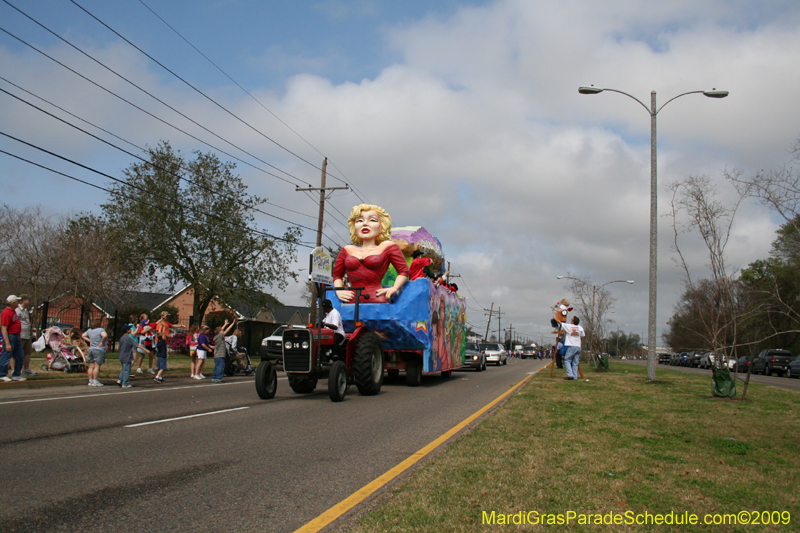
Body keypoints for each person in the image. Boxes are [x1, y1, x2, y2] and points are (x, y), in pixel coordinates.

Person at [333, 204, 409, 303]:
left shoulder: (387, 246)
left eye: (372, 220)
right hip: (350, 300)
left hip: (377, 299)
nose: (365, 224)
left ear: (382, 226)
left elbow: (403, 271)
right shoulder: (346, 250)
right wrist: (339, 291)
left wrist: (395, 288)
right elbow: (337, 275)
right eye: (359, 220)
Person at [0, 295, 25, 382]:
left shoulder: (13, 312)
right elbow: (4, 328)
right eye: (16, 301)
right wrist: (7, 343)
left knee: (20, 356)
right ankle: (2, 374)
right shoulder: (6, 313)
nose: (18, 303)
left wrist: (18, 336)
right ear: (12, 303)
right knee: (6, 355)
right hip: (10, 336)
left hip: (16, 336)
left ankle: (16, 374)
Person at [82, 319, 108, 387]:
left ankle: (90, 380)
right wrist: (102, 342)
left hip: (91, 349)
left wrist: (90, 341)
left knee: (91, 366)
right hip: (99, 349)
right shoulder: (101, 330)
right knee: (97, 366)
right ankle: (95, 380)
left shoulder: (90, 330)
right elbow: (105, 336)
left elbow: (83, 335)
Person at [16, 295, 36, 376]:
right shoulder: (17, 310)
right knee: (18, 353)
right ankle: (15, 370)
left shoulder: (26, 310)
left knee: (27, 352)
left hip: (27, 335)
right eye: (28, 300)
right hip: (20, 335)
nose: (29, 302)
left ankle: (26, 369)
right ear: (24, 300)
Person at [560, 316, 585, 380]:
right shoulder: (580, 327)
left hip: (572, 346)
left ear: (573, 321)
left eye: (572, 319)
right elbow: (582, 336)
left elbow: (561, 323)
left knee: (567, 360)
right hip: (578, 346)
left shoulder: (570, 326)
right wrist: (578, 340)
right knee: (575, 362)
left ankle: (570, 375)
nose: (571, 320)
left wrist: (555, 317)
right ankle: (575, 376)